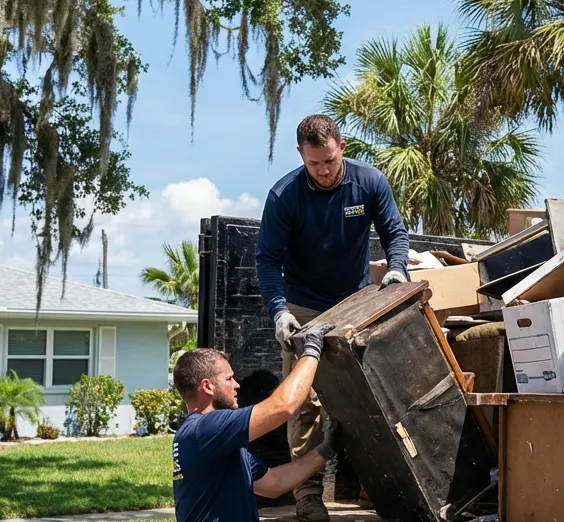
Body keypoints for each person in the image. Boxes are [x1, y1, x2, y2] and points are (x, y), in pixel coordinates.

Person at [254, 113, 411, 520]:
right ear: (301, 156)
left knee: (363, 396)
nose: (323, 171)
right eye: (313, 164)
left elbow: (394, 232)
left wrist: (396, 268)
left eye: (329, 161)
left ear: (342, 147)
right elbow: (267, 260)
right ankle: (307, 495)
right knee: (302, 400)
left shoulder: (369, 181)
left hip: (354, 302)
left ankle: (371, 483)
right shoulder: (283, 196)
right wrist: (279, 312)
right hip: (303, 304)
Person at [171, 323, 340, 522]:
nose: (237, 385)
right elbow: (284, 406)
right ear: (208, 387)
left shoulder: (217, 443)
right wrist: (311, 349)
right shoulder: (206, 428)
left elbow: (274, 483)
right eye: (229, 379)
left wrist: (327, 449)